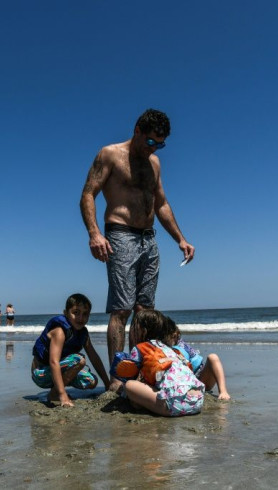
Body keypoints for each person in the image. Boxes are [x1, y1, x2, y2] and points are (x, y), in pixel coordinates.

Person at [80, 108, 195, 389]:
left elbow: (162, 204)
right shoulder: (110, 154)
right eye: (151, 141)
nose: (154, 148)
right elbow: (88, 194)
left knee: (145, 310)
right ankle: (117, 380)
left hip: (149, 238)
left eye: (161, 144)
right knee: (121, 310)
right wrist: (94, 233)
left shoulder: (154, 164)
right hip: (119, 235)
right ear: (137, 130)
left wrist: (180, 238)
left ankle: (141, 371)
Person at [30, 293, 112, 407]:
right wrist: (62, 395)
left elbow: (94, 358)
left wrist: (107, 383)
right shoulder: (60, 331)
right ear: (66, 313)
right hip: (41, 373)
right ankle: (55, 394)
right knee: (79, 360)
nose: (80, 318)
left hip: (60, 369)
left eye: (85, 314)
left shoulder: (83, 333)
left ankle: (57, 389)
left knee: (91, 381)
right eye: (76, 313)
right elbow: (53, 362)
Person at [120, 310, 206, 417]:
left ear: (142, 331)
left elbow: (130, 375)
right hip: (198, 400)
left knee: (129, 386)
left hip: (176, 405)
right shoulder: (172, 349)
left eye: (133, 329)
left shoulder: (140, 348)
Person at [169, 318, 231, 401]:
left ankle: (223, 391)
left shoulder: (179, 343)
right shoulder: (168, 349)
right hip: (190, 380)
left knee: (213, 357)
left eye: (175, 336)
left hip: (203, 376)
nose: (174, 338)